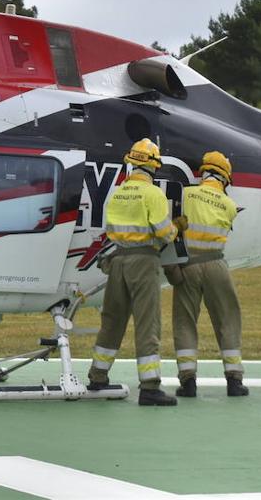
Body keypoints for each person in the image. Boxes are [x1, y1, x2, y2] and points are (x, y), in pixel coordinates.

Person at [87, 138, 183, 406]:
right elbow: (164, 232)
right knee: (147, 322)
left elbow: (110, 229)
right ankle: (150, 387)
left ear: (131, 162)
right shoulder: (153, 194)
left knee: (112, 319)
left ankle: (98, 376)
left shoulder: (119, 192)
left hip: (118, 261)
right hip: (143, 260)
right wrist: (176, 227)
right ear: (153, 166)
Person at [171, 151, 247, 398]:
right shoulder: (229, 205)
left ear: (203, 173)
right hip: (216, 264)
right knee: (228, 319)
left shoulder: (186, 194)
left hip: (188, 265)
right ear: (225, 178)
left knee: (184, 321)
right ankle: (234, 382)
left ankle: (188, 382)